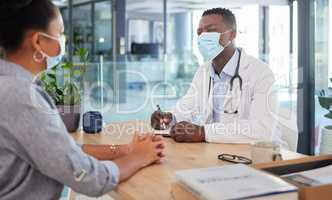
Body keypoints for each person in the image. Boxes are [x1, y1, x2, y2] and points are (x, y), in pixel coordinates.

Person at [0, 0, 165, 199]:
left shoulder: (10, 86)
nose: (63, 39)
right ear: (38, 42)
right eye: (59, 32)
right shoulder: (20, 96)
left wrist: (124, 149)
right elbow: (87, 177)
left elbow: (58, 151)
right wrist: (139, 156)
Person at [151, 8, 286, 147]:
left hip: (261, 156)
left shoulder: (260, 73)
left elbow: (261, 130)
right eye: (199, 32)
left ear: (232, 34)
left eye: (210, 30)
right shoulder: (204, 71)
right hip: (218, 152)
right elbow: (187, 107)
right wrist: (168, 118)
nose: (203, 36)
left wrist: (203, 132)